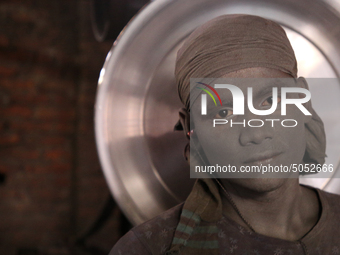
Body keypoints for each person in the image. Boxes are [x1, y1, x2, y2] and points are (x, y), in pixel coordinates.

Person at [109, 14, 340, 255]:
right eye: (224, 112)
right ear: (190, 127)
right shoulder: (147, 249)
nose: (256, 133)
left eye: (270, 101)